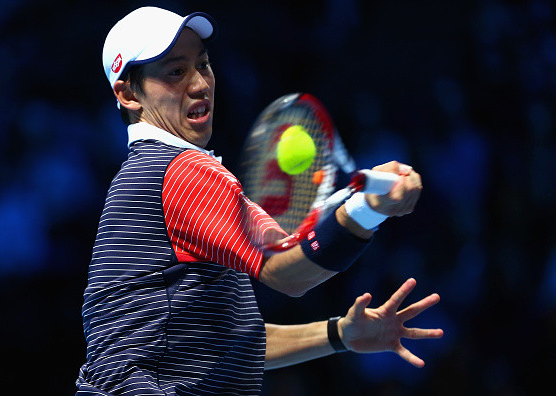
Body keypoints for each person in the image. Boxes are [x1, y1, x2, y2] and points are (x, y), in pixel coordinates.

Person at [76, 6, 443, 395]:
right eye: (176, 72)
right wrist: (368, 209)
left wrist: (341, 334)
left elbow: (224, 344)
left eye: (203, 64)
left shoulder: (146, 175)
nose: (200, 83)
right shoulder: (182, 172)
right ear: (128, 93)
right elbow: (288, 271)